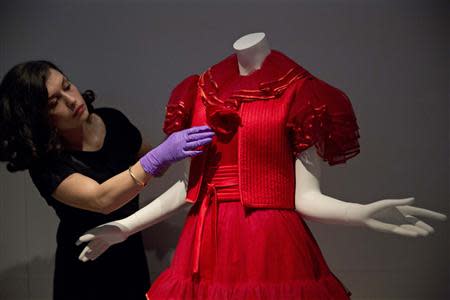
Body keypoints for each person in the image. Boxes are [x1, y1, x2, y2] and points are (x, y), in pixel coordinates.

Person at [76, 33, 446, 299]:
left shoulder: (303, 93)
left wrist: (359, 213)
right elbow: (190, 189)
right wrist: (124, 227)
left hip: (272, 246)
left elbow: (305, 198)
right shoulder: (199, 89)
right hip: (205, 249)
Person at [0, 60, 214, 300]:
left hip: (129, 252)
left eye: (67, 85)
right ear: (37, 118)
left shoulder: (112, 120)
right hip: (87, 265)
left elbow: (154, 165)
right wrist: (159, 157)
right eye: (53, 102)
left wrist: (177, 142)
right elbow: (101, 199)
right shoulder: (46, 164)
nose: (71, 99)